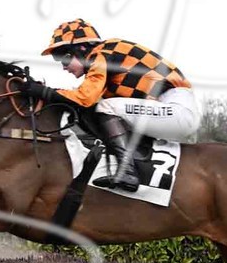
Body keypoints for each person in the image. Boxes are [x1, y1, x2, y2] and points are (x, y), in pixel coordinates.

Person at [19, 18, 200, 192]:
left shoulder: (103, 53)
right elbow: (82, 102)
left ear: (81, 48)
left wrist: (43, 92)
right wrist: (46, 92)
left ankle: (127, 171)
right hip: (166, 109)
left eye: (64, 59)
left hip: (177, 108)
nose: (64, 67)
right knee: (98, 109)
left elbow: (84, 98)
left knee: (106, 107)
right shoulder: (106, 61)